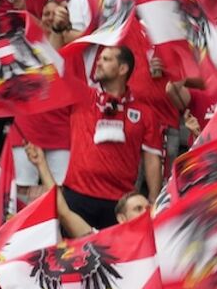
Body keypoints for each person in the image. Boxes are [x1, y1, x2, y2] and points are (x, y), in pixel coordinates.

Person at [60, 45, 163, 228]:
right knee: (73, 255)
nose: (98, 62)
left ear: (122, 69)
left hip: (119, 203)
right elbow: (54, 67)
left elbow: (152, 159)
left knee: (116, 257)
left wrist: (154, 199)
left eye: (106, 59)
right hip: (77, 196)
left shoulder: (145, 113)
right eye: (99, 58)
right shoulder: (82, 96)